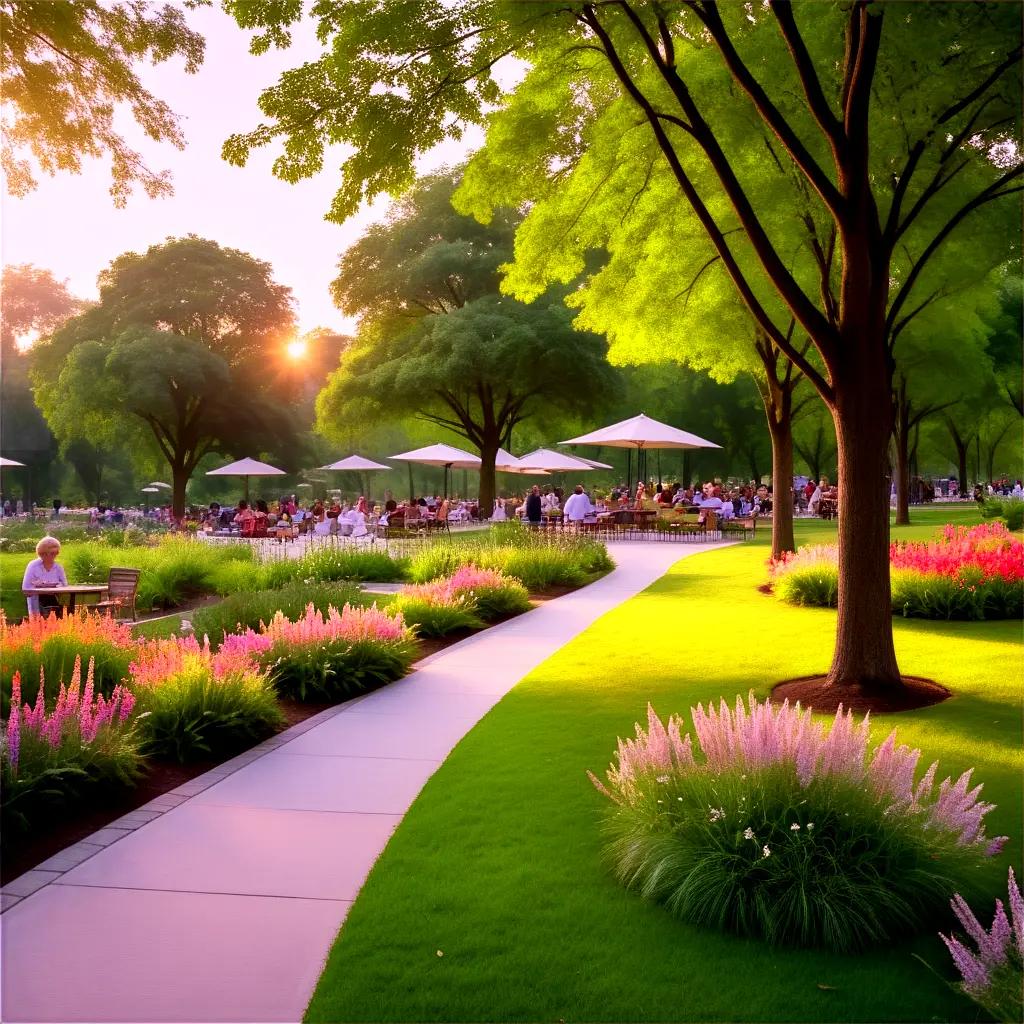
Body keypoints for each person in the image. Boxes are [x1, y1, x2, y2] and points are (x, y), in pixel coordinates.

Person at [22, 536, 68, 617]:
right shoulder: (33, 566)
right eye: (52, 553)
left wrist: (56, 586)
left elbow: (65, 586)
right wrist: (40, 587)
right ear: (43, 553)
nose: (55, 555)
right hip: (37, 601)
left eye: (56, 553)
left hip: (54, 601)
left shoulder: (58, 567)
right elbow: (26, 589)